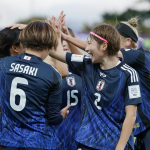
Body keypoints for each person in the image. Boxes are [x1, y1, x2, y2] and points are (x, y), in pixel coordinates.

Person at [47, 16, 142, 150]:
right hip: (86, 143)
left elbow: (131, 116)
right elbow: (55, 53)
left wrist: (119, 148)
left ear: (104, 45)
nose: (86, 48)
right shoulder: (86, 64)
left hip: (113, 144)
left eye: (90, 43)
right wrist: (47, 33)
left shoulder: (128, 74)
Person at [0, 21, 70, 150]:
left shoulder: (3, 63)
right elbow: (54, 118)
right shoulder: (53, 74)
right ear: (48, 46)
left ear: (24, 41)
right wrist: (62, 115)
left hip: (8, 141)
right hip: (39, 142)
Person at [115, 17, 150, 150]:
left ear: (128, 42)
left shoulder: (139, 56)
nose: (109, 43)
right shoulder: (123, 64)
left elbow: (103, 53)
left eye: (114, 39)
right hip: (141, 130)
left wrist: (67, 38)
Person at [54, 26, 82, 150]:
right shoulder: (48, 69)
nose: (64, 45)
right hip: (56, 130)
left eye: (66, 41)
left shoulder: (84, 70)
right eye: (60, 42)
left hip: (80, 130)